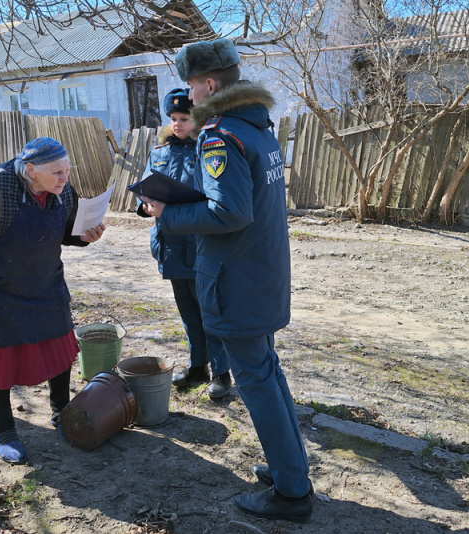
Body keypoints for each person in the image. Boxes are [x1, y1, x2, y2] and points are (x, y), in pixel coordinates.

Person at [139, 39, 313, 523]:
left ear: (209, 84)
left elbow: (229, 211)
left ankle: (292, 494)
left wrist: (168, 213)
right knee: (269, 373)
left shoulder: (220, 136)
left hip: (236, 280)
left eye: (192, 86)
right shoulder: (257, 127)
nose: (188, 96)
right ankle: (288, 468)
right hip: (262, 274)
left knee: (258, 381)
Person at [0, 137, 105, 464]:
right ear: (30, 170)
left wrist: (84, 236)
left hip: (45, 284)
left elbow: (66, 230)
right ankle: (5, 431)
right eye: (57, 172)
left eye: (67, 171)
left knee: (59, 351)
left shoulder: (61, 189)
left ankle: (61, 412)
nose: (64, 178)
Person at [137, 87, 231, 399]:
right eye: (174, 119)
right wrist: (145, 205)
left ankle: (221, 372)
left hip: (199, 244)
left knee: (208, 311)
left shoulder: (207, 149)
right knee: (188, 313)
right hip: (171, 246)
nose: (178, 124)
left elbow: (214, 197)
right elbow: (145, 190)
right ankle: (197, 367)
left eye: (185, 118)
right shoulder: (159, 153)